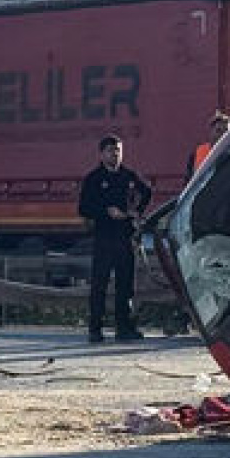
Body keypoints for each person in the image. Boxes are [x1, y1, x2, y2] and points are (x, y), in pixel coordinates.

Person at [76, 134, 152, 344]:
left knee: (125, 285)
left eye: (118, 150)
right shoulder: (93, 178)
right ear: (102, 154)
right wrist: (105, 211)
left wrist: (135, 212)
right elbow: (83, 208)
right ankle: (95, 328)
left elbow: (147, 191)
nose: (115, 154)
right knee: (99, 285)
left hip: (125, 236)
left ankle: (124, 327)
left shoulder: (128, 176)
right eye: (110, 150)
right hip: (103, 237)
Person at [187, 111, 230, 177]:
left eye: (226, 132)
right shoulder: (197, 153)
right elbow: (188, 181)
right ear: (211, 132)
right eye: (218, 131)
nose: (222, 135)